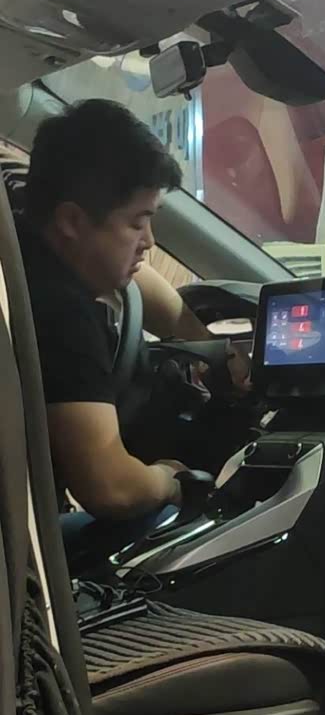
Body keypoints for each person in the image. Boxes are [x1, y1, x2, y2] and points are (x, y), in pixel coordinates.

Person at [16, 99, 251, 563]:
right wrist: (168, 479)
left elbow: (136, 277)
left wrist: (210, 348)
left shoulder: (23, 241)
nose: (150, 242)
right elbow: (111, 487)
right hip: (15, 563)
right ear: (71, 221)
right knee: (175, 526)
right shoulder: (59, 312)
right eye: (137, 223)